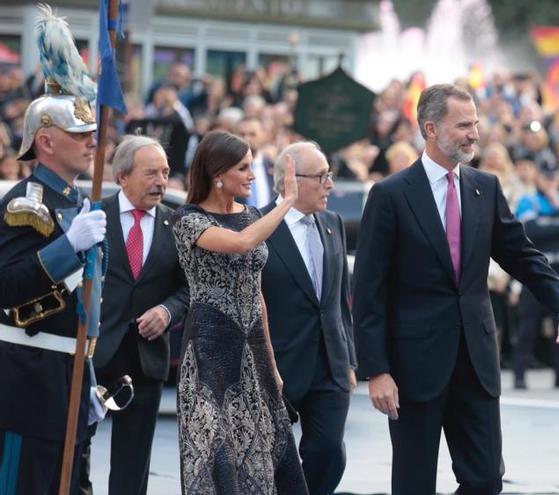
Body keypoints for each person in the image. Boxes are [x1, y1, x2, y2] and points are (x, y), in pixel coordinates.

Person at [353, 83, 559, 494]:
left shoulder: (485, 188)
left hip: (475, 364)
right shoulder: (390, 196)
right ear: (430, 129)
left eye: (475, 124)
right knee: (413, 484)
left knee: (485, 481)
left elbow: (523, 256)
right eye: (463, 125)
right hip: (413, 368)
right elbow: (368, 290)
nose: (474, 134)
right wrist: (377, 370)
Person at [0, 6, 107, 492]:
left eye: (91, 133)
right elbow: (6, 285)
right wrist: (68, 248)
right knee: (27, 482)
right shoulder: (25, 203)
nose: (91, 142)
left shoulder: (77, 202)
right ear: (45, 142)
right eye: (79, 134)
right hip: (30, 374)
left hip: (74, 369)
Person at [171, 130, 307, 494]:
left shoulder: (252, 215)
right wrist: (287, 202)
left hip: (254, 348)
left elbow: (257, 293)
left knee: (265, 448)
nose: (251, 174)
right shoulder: (188, 219)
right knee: (217, 454)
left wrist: (273, 366)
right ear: (218, 174)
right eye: (244, 167)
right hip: (209, 350)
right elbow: (241, 244)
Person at [78, 136, 190, 495]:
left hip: (146, 359)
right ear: (122, 176)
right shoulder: (93, 216)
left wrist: (167, 311)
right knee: (75, 452)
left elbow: (189, 289)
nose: (161, 181)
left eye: (165, 172)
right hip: (94, 355)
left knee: (133, 465)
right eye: (150, 173)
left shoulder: (177, 225)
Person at [261, 142, 357, 495]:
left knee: (330, 453)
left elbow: (339, 300)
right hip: (278, 365)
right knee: (271, 460)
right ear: (290, 178)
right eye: (321, 176)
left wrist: (348, 359)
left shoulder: (332, 223)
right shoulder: (259, 226)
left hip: (329, 364)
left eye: (329, 175)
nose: (330, 184)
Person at [512, 161, 559, 389]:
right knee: (528, 325)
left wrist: (558, 206)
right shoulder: (529, 201)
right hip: (537, 269)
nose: (551, 183)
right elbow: (531, 231)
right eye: (546, 178)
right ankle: (520, 374)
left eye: (554, 178)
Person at [236, 117, 274, 208]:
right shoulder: (227, 168)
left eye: (252, 134)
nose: (246, 139)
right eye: (242, 134)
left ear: (263, 136)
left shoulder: (274, 168)